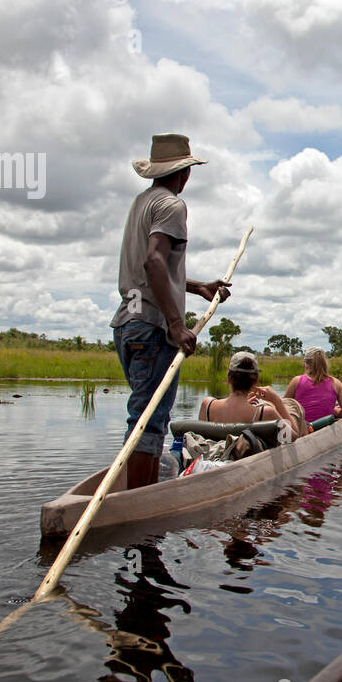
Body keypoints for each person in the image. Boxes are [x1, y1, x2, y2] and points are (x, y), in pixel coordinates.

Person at [111, 133, 230, 489]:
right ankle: (139, 502)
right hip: (151, 327)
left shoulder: (141, 203)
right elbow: (153, 261)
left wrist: (197, 288)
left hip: (127, 322)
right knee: (149, 423)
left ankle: (136, 493)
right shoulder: (173, 207)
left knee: (143, 418)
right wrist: (177, 325)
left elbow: (153, 268)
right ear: (185, 173)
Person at [197, 352, 308, 437]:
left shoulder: (207, 405)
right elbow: (294, 437)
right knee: (294, 408)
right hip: (247, 463)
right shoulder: (265, 413)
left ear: (228, 376)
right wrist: (277, 401)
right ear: (255, 381)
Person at [285, 347, 342, 423]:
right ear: (324, 363)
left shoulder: (296, 381)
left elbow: (283, 406)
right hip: (324, 426)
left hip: (302, 430)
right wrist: (335, 412)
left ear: (306, 364)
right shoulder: (336, 383)